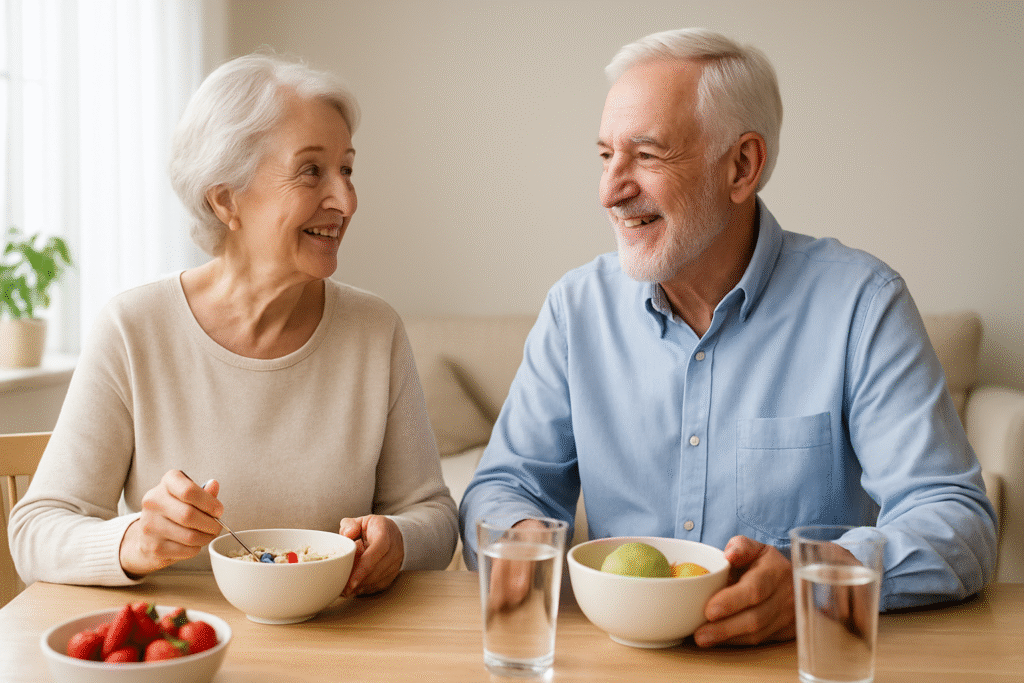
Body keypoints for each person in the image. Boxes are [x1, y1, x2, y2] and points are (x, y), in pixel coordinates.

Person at [458, 28, 997, 647]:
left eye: (648, 155)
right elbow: (504, 487)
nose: (610, 191)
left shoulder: (861, 304)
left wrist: (813, 582)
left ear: (742, 166)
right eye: (606, 155)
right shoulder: (575, 310)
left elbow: (958, 523)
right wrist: (522, 534)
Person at [9, 53, 458, 597]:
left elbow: (432, 513)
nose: (345, 200)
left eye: (347, 169)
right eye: (312, 170)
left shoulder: (374, 330)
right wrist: (137, 540)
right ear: (225, 198)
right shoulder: (134, 328)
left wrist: (399, 540)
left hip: (339, 650)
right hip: (182, 654)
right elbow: (35, 531)